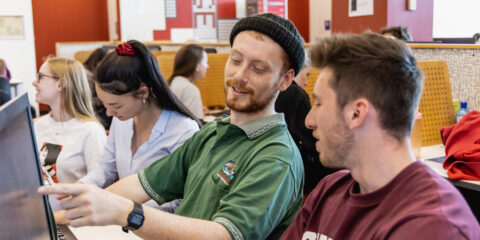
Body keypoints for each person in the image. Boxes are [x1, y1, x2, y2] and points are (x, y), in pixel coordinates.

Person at [39, 13, 305, 240]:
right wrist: (53, 217)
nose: (239, 75)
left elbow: (223, 234)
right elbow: (141, 184)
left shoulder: (276, 155)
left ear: (285, 80)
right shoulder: (213, 133)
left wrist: (127, 213)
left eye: (258, 68)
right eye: (235, 60)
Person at [280, 33, 480, 239]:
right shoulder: (328, 191)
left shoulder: (433, 226)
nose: (309, 121)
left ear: (356, 114)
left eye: (319, 104)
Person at [79, 40, 200, 189]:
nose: (109, 113)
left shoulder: (183, 131)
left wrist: (127, 207)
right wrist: (81, 186)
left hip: (151, 212)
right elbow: (107, 168)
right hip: (122, 210)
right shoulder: (122, 120)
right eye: (104, 105)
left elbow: (183, 198)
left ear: (142, 92)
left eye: (116, 105)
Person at [32, 57, 107, 183]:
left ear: (61, 84)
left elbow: (101, 180)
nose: (35, 82)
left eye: (41, 76)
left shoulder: (91, 131)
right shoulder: (37, 125)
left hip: (74, 202)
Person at [275, 54, 336, 194]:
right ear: (296, 70)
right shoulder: (295, 93)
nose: (307, 82)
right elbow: (310, 141)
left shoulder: (273, 90)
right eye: (307, 75)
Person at [168, 44, 209, 119]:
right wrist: (200, 116)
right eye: (205, 62)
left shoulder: (173, 82)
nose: (207, 66)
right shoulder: (190, 89)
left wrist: (198, 109)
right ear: (197, 65)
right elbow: (197, 125)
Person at [83, 47, 112, 130]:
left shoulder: (84, 70)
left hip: (92, 109)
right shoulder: (88, 77)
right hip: (91, 112)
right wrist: (104, 100)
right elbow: (87, 101)